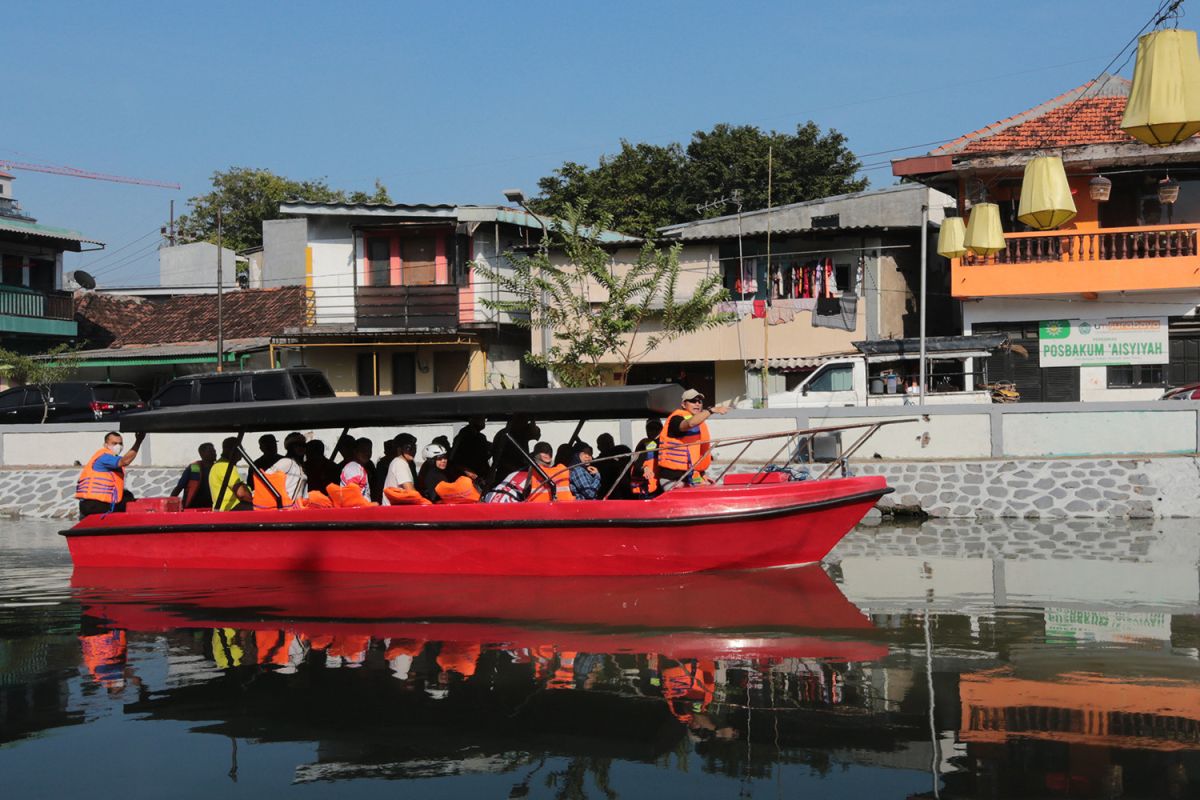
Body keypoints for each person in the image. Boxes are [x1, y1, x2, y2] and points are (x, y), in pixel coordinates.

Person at [657, 389, 729, 486]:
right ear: (683, 404)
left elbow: (696, 453)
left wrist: (701, 473)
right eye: (693, 401)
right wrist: (711, 410)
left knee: (708, 488)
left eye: (699, 401)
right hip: (673, 478)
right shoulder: (676, 419)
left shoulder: (699, 422)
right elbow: (690, 423)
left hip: (690, 475)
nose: (697, 404)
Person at [76, 430, 147, 517]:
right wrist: (138, 441)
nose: (118, 446)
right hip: (94, 504)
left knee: (126, 495)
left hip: (93, 503)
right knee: (128, 499)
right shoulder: (105, 457)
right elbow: (125, 461)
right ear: (106, 445)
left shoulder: (111, 458)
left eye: (120, 444)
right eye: (114, 443)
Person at [261, 432, 307, 506]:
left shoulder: (300, 465)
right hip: (284, 508)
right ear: (290, 447)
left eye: (304, 445)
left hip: (296, 509)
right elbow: (265, 478)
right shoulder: (286, 462)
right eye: (298, 445)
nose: (302, 448)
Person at [208, 437, 254, 511]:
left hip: (226, 508)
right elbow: (242, 494)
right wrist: (253, 498)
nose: (242, 452)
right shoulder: (225, 466)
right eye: (240, 449)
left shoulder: (220, 465)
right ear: (233, 450)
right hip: (231, 509)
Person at [382, 433, 426, 505]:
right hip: (393, 512)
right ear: (399, 449)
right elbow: (411, 492)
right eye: (408, 448)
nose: (413, 450)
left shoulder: (401, 462)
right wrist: (425, 504)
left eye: (414, 447)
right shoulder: (399, 463)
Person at [174, 442, 216, 510]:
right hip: (192, 507)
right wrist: (170, 501)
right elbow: (179, 487)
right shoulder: (193, 468)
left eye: (214, 451)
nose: (214, 453)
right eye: (210, 451)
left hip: (213, 507)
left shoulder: (218, 468)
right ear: (202, 454)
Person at [631, 418, 662, 498]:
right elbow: (636, 465)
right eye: (650, 428)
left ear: (661, 429)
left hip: (664, 486)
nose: (653, 430)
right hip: (648, 490)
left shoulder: (666, 443)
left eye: (656, 428)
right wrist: (644, 467)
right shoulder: (644, 445)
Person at [339, 437, 375, 502]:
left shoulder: (369, 465)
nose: (366, 453)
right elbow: (353, 494)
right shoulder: (352, 467)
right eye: (363, 451)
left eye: (369, 450)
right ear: (355, 451)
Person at [373, 437, 399, 502]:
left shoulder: (401, 463)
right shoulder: (381, 464)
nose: (392, 454)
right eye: (389, 451)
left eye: (393, 452)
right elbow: (379, 483)